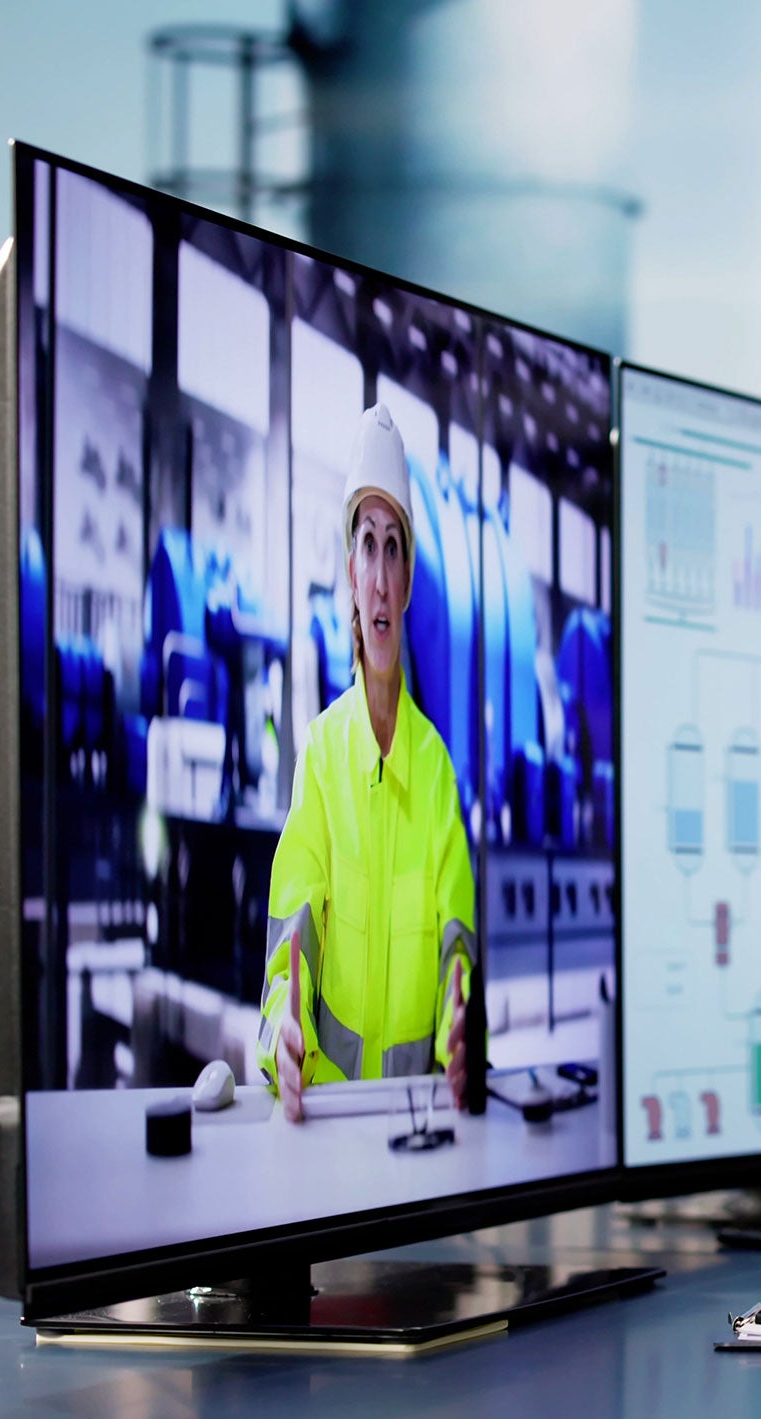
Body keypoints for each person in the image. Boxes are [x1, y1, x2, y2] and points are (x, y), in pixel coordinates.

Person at [258, 403, 476, 1123]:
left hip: (421, 1129)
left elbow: (457, 944)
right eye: (367, 546)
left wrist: (462, 1021)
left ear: (408, 581)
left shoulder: (436, 774)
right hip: (328, 1128)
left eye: (394, 550)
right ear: (349, 571)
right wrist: (278, 1038)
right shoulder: (320, 757)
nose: (380, 578)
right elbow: (292, 938)